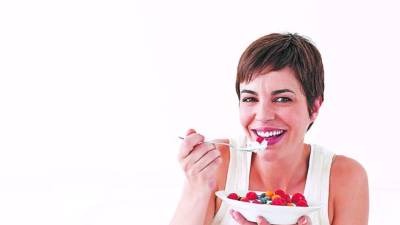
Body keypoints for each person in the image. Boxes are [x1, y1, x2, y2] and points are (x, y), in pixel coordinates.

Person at [169, 33, 369, 225]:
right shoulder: (216, 164)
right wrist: (196, 186)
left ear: (314, 108)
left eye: (282, 99)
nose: (263, 115)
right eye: (250, 98)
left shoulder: (344, 177)